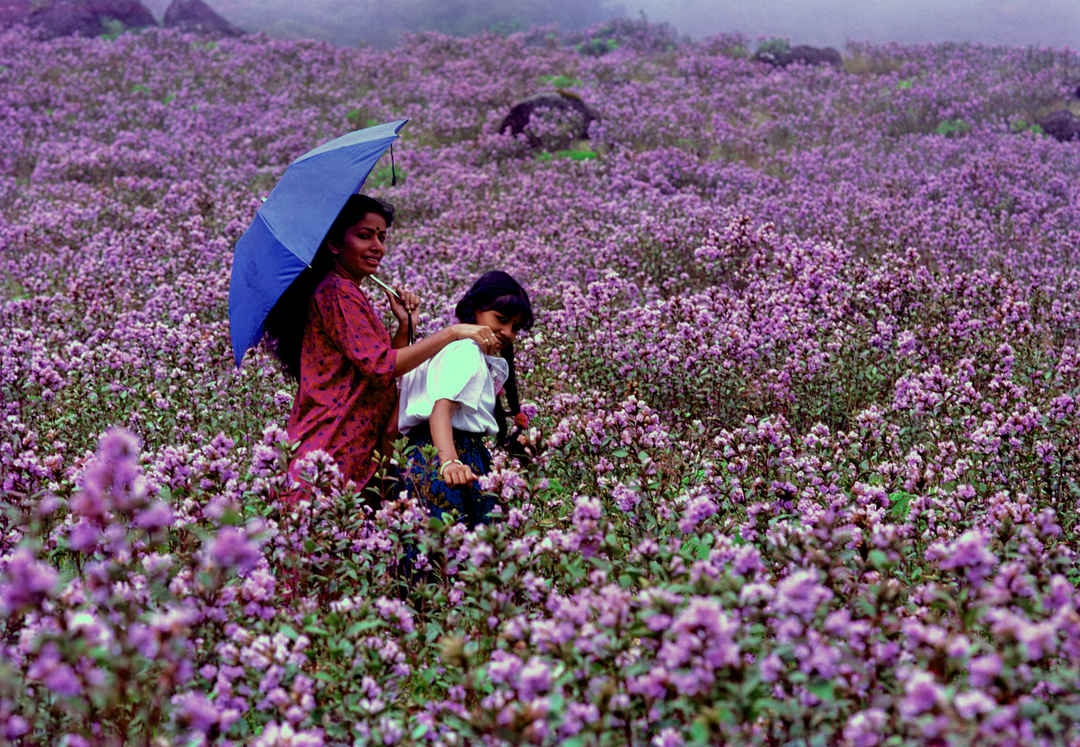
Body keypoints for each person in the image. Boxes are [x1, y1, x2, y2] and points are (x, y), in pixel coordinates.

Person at [262, 194, 501, 501]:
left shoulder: (346, 291)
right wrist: (453, 333)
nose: (378, 246)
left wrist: (405, 326)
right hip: (336, 440)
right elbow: (382, 366)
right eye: (365, 236)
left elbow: (378, 369)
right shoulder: (337, 292)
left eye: (381, 237)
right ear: (334, 245)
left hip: (350, 439)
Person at [398, 271, 534, 528]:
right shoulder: (467, 352)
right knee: (460, 548)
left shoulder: (445, 348)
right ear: (475, 310)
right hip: (453, 453)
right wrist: (449, 461)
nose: (507, 332)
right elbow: (441, 409)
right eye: (501, 319)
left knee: (430, 546)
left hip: (421, 456)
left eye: (515, 327)